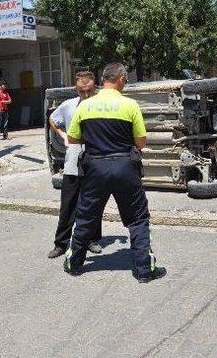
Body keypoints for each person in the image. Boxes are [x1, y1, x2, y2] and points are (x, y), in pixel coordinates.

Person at [64, 63, 166, 283]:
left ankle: (73, 262)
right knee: (138, 218)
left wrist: (94, 140)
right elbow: (141, 142)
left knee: (86, 215)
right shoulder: (130, 105)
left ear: (103, 79)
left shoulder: (86, 105)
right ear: (120, 79)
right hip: (125, 168)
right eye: (126, 81)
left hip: (95, 168)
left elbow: (73, 139)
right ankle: (144, 270)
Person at [47, 71, 102, 259]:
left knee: (93, 202)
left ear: (94, 88)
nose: (85, 95)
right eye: (81, 91)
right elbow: (52, 120)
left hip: (95, 160)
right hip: (73, 160)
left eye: (88, 91)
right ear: (76, 89)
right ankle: (61, 243)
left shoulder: (101, 105)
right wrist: (62, 135)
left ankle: (92, 240)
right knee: (68, 204)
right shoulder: (68, 105)